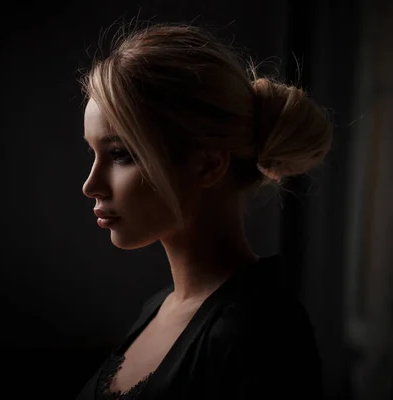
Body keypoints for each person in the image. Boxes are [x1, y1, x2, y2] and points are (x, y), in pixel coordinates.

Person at [75, 22, 331, 400]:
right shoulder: (161, 306)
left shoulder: (262, 331)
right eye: (93, 154)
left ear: (209, 164)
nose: (90, 185)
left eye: (119, 154)